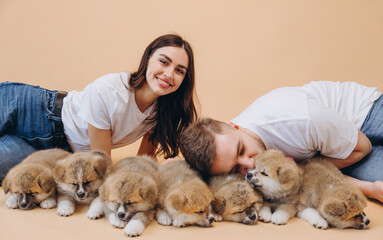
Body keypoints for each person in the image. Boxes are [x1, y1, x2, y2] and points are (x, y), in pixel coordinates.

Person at [0, 34, 197, 183]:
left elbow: (144, 160)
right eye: (164, 61)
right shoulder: (110, 90)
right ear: (148, 60)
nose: (169, 74)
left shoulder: (162, 112)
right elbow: (101, 163)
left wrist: (168, 172)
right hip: (32, 108)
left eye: (179, 70)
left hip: (57, 151)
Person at [180, 81, 383, 203]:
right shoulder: (229, 151)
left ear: (236, 125)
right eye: (235, 169)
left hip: (367, 114)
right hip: (337, 151)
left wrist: (299, 168)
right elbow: (314, 174)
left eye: (242, 150)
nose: (250, 164)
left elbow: (362, 147)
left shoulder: (299, 119)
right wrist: (369, 189)